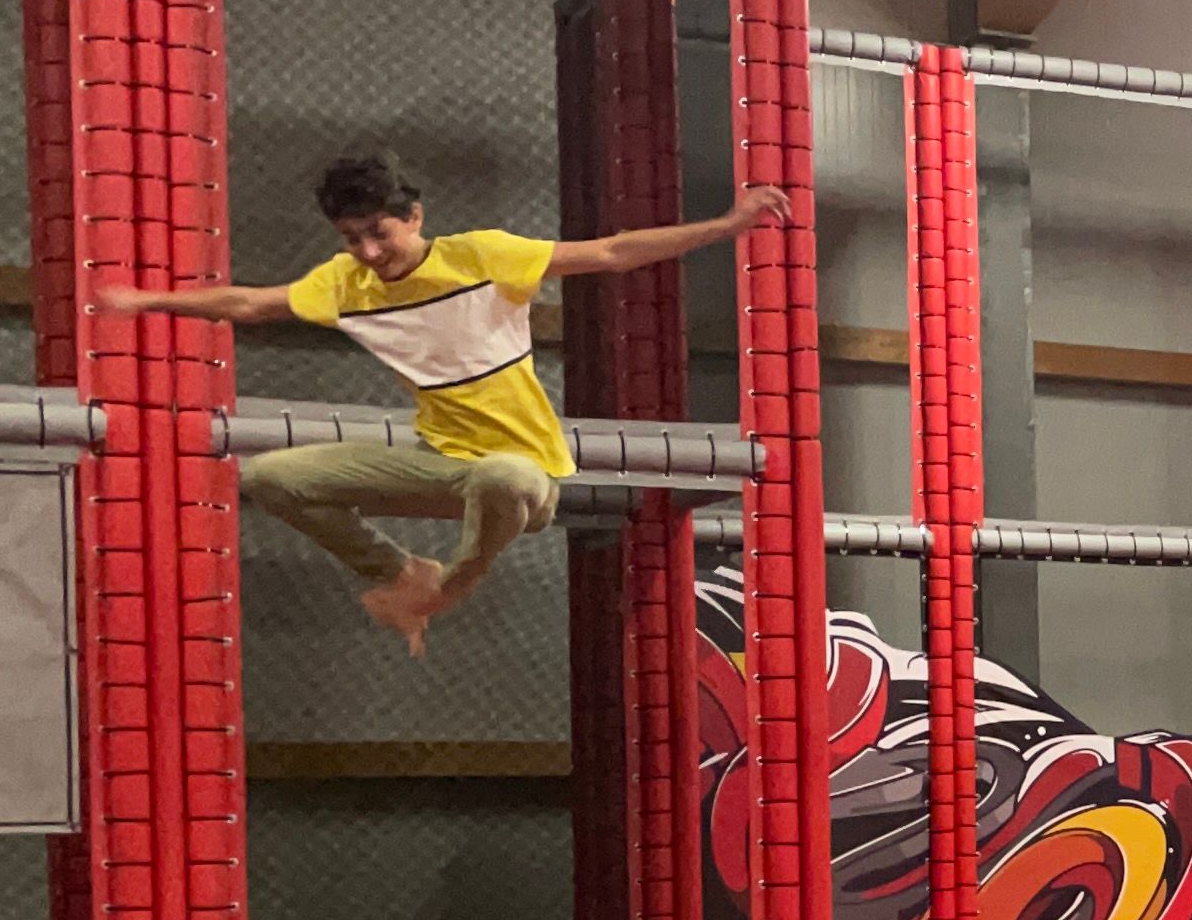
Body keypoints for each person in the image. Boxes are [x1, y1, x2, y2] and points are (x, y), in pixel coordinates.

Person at [99, 151, 787, 654]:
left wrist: (725, 226)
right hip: (440, 464)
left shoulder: (480, 257)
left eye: (380, 232)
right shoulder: (346, 284)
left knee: (501, 476)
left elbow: (611, 252)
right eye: (352, 239)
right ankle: (401, 573)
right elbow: (250, 303)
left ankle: (450, 587)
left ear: (415, 217)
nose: (370, 252)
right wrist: (148, 302)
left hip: (526, 476)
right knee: (269, 476)